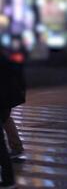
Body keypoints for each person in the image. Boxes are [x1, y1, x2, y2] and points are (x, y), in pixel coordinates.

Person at [0, 43, 26, 188]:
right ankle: (16, 146)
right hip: (4, 103)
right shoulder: (5, 56)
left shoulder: (4, 59)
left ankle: (8, 178)